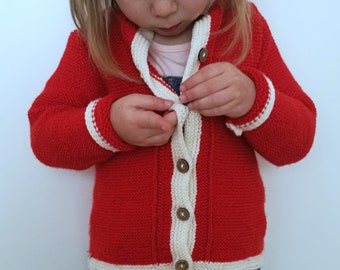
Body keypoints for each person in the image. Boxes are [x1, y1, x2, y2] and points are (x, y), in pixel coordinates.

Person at [28, 0, 316, 269]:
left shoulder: (245, 30)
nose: (164, 9)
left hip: (231, 260)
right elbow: (45, 137)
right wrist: (109, 124)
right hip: (125, 261)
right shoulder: (96, 41)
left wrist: (253, 98)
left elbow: (297, 142)